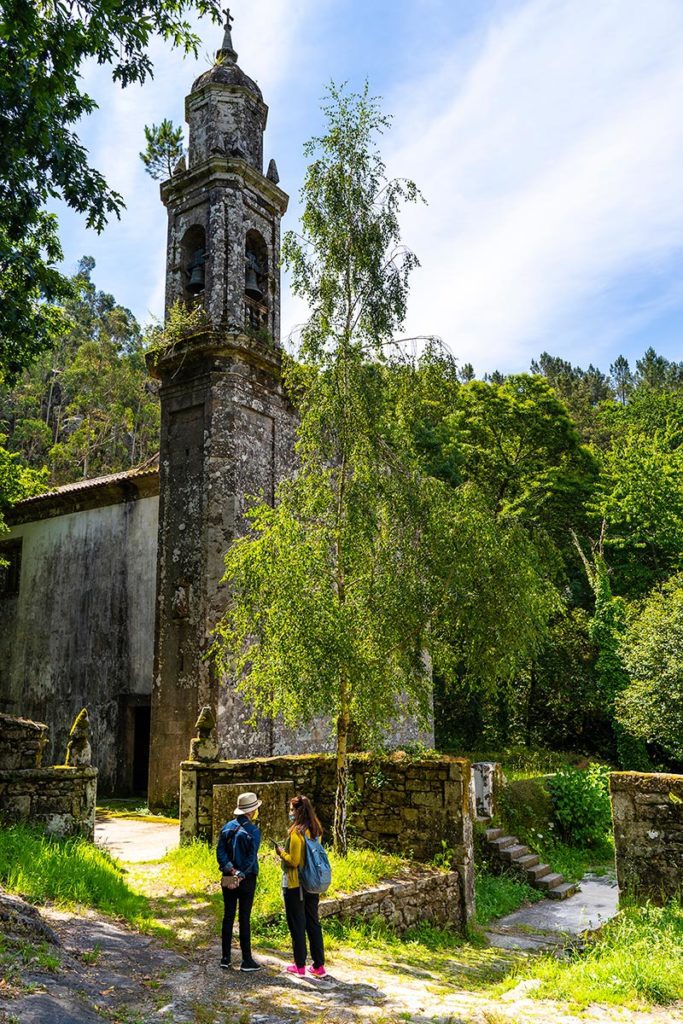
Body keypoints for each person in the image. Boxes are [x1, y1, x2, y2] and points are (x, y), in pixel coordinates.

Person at [276, 794, 326, 978]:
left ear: (298, 811)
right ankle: (319, 965)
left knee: (297, 924)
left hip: (296, 884)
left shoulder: (296, 834)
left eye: (291, 809)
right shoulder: (315, 830)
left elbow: (294, 861)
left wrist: (282, 853)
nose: (289, 813)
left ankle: (299, 966)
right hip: (312, 883)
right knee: (313, 922)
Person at [216, 790, 262, 972]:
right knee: (244, 918)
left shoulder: (227, 827)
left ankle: (225, 958)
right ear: (250, 812)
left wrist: (231, 870)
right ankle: (246, 960)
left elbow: (220, 853)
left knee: (228, 916)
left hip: (228, 876)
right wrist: (241, 873)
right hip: (247, 878)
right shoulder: (253, 831)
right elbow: (251, 858)